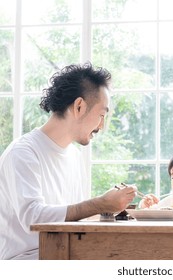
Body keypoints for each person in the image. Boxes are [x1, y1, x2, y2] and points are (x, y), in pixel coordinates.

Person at [0, 62, 137, 260]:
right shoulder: (23, 152)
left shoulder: (74, 156)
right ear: (79, 106)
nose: (102, 125)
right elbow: (33, 218)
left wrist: (113, 210)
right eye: (101, 115)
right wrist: (100, 204)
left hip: (65, 254)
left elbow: (75, 217)